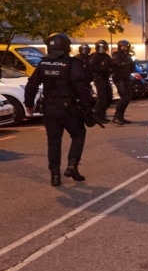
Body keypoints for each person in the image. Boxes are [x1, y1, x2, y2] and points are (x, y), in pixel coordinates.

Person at [23, 33, 95, 186]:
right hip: (68, 108)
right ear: (66, 46)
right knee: (78, 134)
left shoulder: (43, 64)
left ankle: (55, 176)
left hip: (49, 108)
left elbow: (31, 85)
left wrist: (28, 104)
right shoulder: (71, 63)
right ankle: (72, 165)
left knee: (53, 142)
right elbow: (80, 86)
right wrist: (88, 107)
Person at [89, 39, 113, 125]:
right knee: (102, 97)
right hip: (98, 78)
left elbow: (112, 65)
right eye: (100, 47)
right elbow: (92, 67)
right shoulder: (94, 56)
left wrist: (111, 70)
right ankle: (97, 115)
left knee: (109, 97)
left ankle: (102, 114)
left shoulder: (107, 57)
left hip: (105, 78)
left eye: (103, 47)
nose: (102, 49)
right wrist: (102, 69)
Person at [111, 38, 134, 125]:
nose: (124, 48)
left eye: (126, 46)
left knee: (128, 96)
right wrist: (122, 65)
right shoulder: (116, 55)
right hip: (119, 78)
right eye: (122, 46)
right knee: (124, 97)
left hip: (126, 78)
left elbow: (131, 66)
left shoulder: (128, 56)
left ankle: (120, 116)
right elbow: (115, 64)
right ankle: (116, 116)